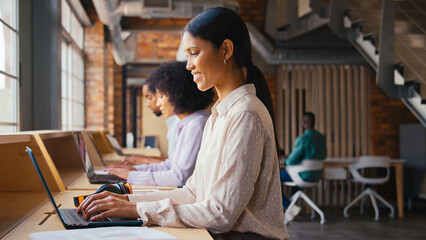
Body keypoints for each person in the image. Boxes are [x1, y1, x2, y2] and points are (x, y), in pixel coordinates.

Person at [78, 7, 288, 239]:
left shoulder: (245, 114)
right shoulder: (219, 115)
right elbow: (193, 192)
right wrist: (127, 200)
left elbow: (221, 214)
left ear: (226, 50)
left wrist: (136, 210)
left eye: (194, 53)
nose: (188, 64)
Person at [106, 61, 213, 186]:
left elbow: (179, 177)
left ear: (178, 93)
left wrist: (132, 176)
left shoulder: (197, 124)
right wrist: (135, 170)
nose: (158, 104)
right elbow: (171, 164)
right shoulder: (186, 123)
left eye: (161, 96)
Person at [120, 80, 180, 166]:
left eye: (150, 98)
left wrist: (144, 161)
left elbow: (175, 167)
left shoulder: (181, 123)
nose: (148, 104)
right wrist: (143, 159)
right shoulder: (173, 121)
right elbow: (172, 160)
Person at [280, 112, 327, 220]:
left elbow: (291, 161)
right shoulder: (321, 138)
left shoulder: (303, 138)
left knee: (271, 176)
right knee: (294, 176)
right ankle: (292, 206)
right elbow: (321, 156)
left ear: (304, 122)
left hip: (302, 175)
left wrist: (285, 160)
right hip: (316, 175)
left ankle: (288, 206)